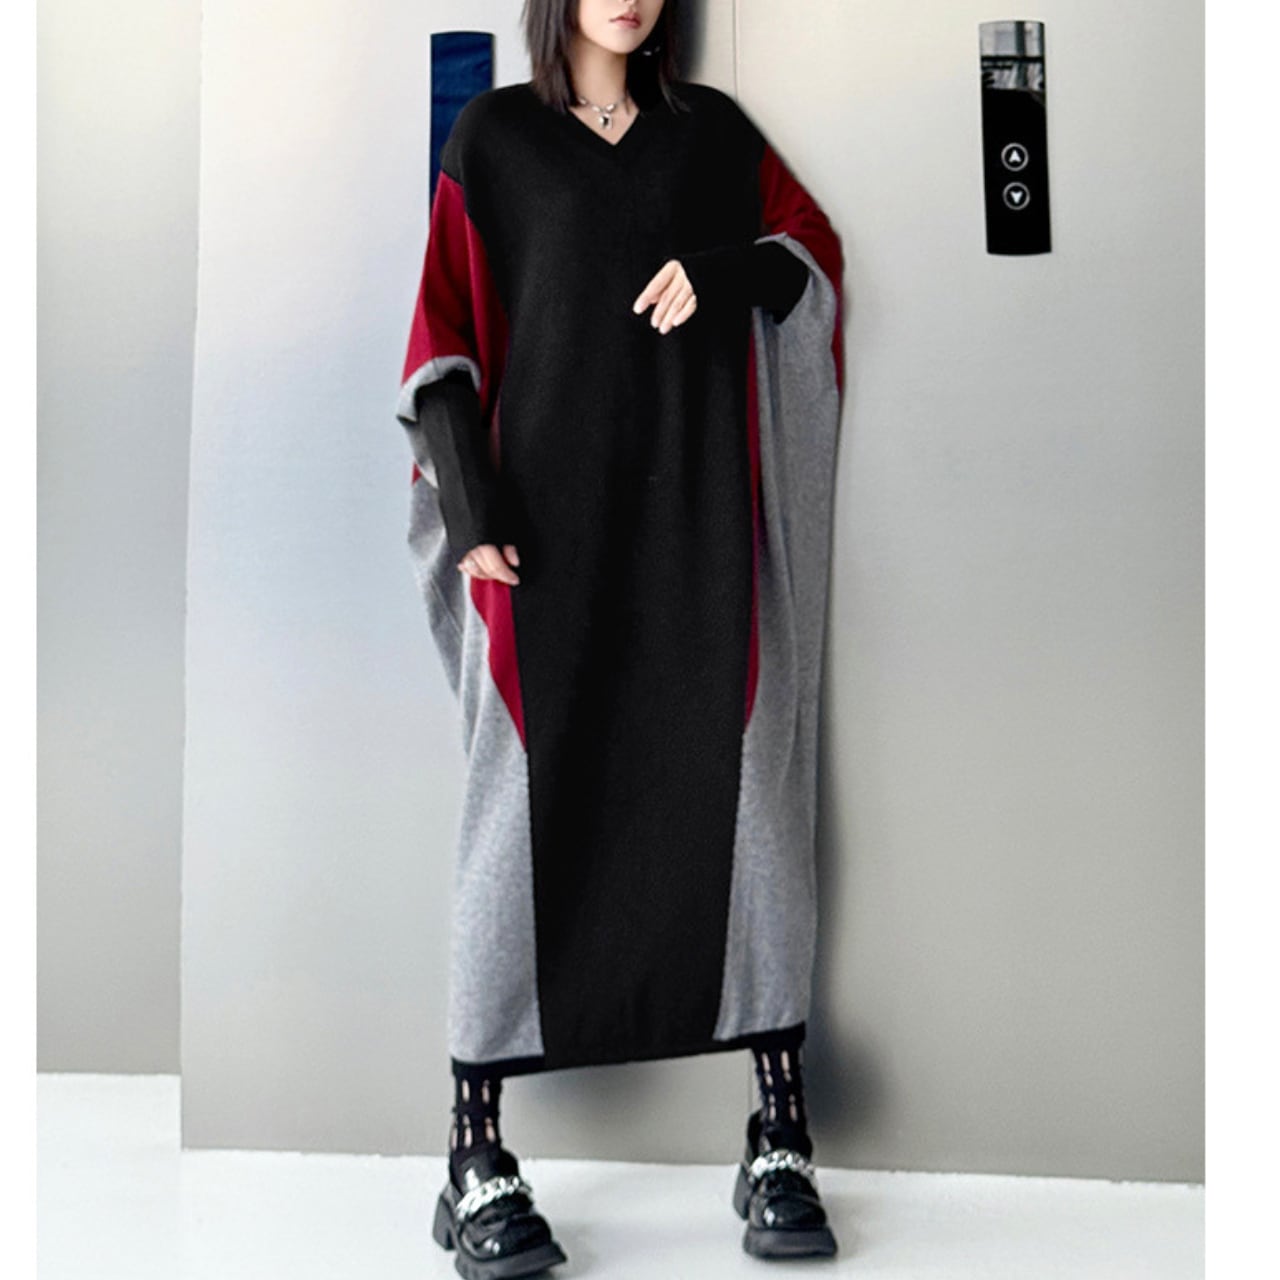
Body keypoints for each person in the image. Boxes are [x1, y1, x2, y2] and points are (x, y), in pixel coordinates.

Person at [394, 1, 845, 1274]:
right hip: (542, 546)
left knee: (748, 796)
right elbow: (439, 332)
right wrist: (469, 509)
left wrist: (722, 266)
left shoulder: (714, 138)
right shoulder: (491, 140)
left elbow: (806, 261)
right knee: (514, 817)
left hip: (700, 535)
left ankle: (778, 1130)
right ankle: (472, 1151)